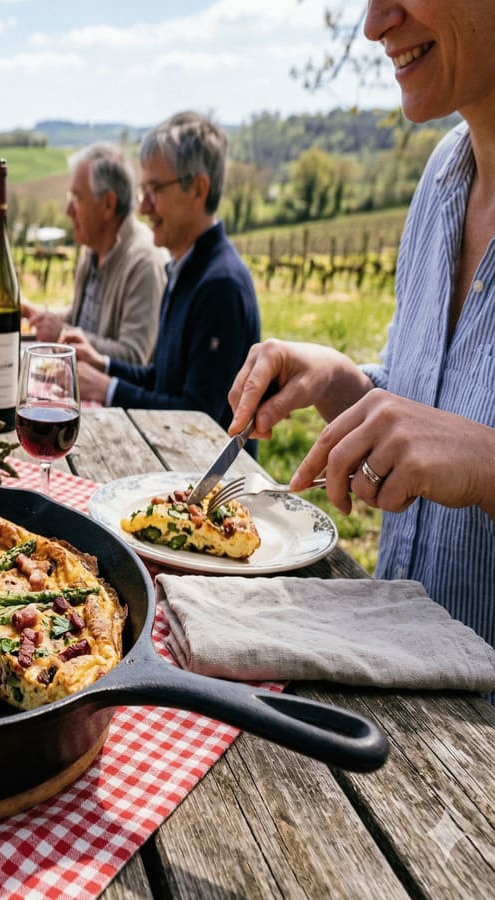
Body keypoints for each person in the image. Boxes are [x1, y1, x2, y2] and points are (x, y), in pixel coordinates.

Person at [228, 0, 495, 651]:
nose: (375, 25)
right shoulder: (441, 181)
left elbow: (466, 448)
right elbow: (433, 416)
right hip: (401, 687)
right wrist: (341, 380)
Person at [74, 112, 260, 434]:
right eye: (143, 190)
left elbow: (197, 416)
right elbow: (161, 378)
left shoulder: (220, 286)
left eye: (155, 190)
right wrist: (100, 363)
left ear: (198, 189)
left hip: (210, 482)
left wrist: (106, 389)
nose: (143, 207)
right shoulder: (186, 268)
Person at [21, 143, 167, 365]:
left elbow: (134, 356)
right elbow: (80, 320)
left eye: (77, 198)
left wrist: (61, 333)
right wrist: (35, 313)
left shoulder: (145, 262)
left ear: (108, 204)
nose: (68, 211)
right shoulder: (92, 251)